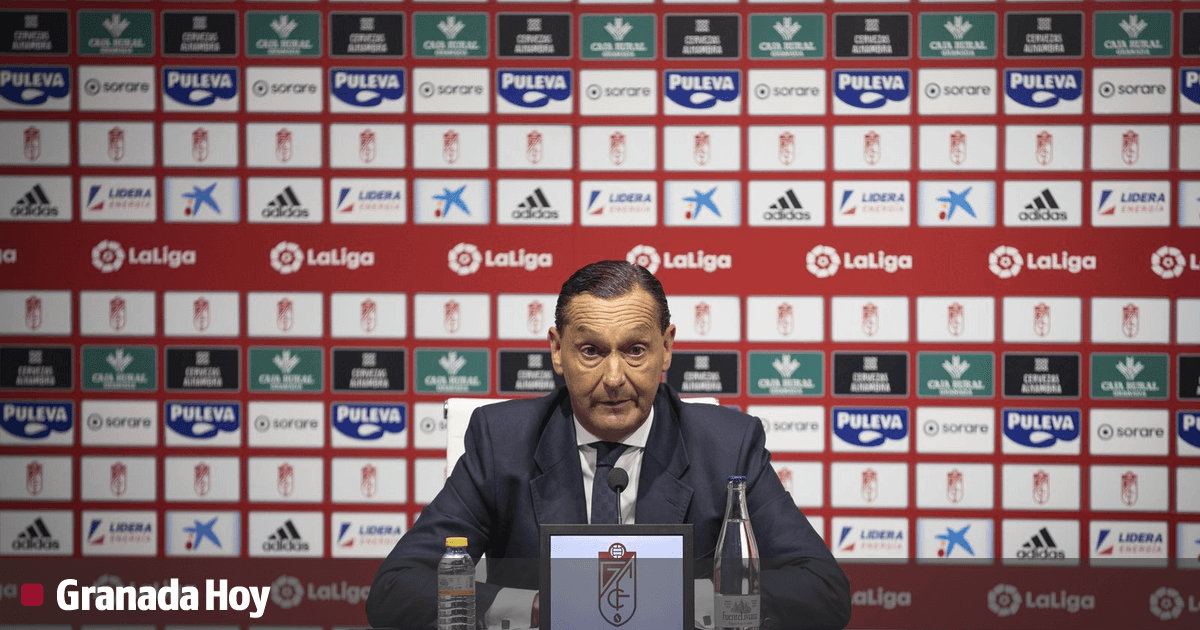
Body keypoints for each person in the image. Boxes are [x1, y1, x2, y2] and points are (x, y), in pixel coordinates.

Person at [367, 260, 851, 630]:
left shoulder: (726, 445)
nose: (614, 378)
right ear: (557, 351)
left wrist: (683, 603)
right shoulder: (503, 440)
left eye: (635, 350)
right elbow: (398, 588)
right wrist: (543, 610)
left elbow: (822, 590)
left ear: (667, 348)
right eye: (591, 351)